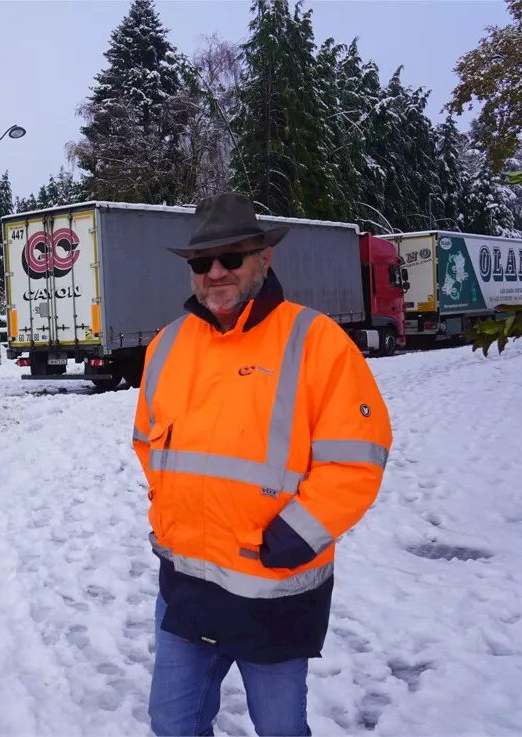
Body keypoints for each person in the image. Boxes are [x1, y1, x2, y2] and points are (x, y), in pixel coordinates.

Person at [132, 193, 392, 736]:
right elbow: (147, 443)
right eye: (202, 263)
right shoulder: (166, 345)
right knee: (172, 723)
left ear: (264, 260)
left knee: (280, 729)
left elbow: (358, 459)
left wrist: (300, 532)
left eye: (232, 258)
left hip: (271, 586)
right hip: (186, 582)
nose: (216, 272)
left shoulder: (317, 341)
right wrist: (171, 515)